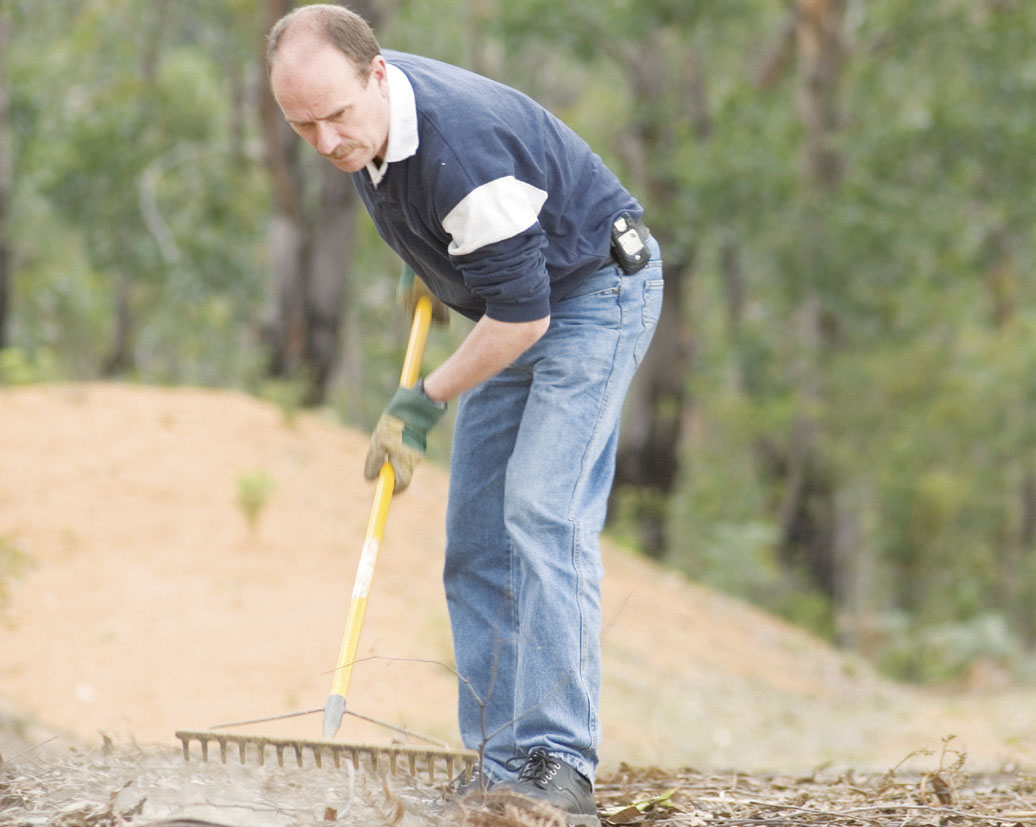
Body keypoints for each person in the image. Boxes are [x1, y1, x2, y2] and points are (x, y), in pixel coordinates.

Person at [267, 6, 663, 825]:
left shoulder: (460, 147)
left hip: (595, 295)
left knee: (541, 513)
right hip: (513, 297)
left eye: (337, 116)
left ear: (377, 74)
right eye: (303, 125)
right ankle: (500, 762)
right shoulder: (361, 118)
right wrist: (439, 273)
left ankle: (560, 762)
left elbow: (523, 320)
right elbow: (457, 239)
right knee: (476, 534)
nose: (328, 142)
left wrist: (421, 403)